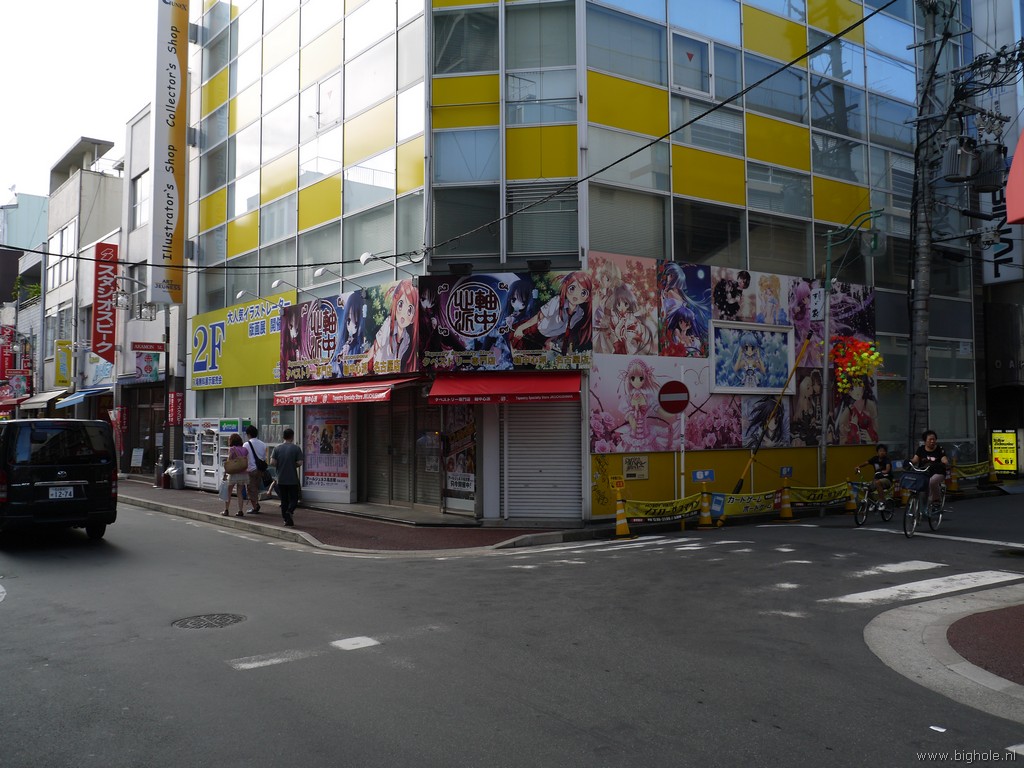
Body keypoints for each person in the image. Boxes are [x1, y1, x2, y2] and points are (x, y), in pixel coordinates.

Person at [270, 427, 303, 527]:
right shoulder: (296, 448)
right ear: (292, 437)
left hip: (281, 478)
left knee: (284, 500)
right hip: (292, 478)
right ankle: (290, 511)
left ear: (283, 437)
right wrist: (292, 464)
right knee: (294, 498)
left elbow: (272, 462)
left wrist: (280, 464)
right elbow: (300, 462)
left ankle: (286, 519)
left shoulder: (277, 448)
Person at [911, 429, 950, 512]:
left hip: (938, 472)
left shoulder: (939, 449)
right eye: (930, 439)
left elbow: (944, 460)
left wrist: (944, 463)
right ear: (925, 441)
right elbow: (915, 460)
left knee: (932, 481)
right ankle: (921, 508)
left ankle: (936, 501)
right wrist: (908, 462)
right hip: (924, 472)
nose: (932, 441)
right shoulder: (921, 449)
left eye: (934, 439)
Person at [244, 424, 268, 515]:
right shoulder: (263, 444)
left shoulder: (246, 444)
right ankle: (256, 504)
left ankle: (255, 507)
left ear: (249, 434)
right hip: (260, 470)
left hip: (251, 469)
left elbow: (244, 457)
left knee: (251, 489)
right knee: (256, 488)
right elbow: (264, 457)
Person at [223, 433, 248, 517]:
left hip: (234, 473)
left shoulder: (232, 449)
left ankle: (226, 510)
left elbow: (229, 461)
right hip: (243, 473)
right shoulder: (245, 449)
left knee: (228, 492)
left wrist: (225, 473)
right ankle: (240, 511)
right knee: (239, 492)